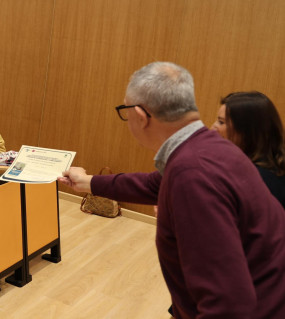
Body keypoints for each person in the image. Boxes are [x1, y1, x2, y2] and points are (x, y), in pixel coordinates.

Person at [58, 62, 285, 318]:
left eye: (125, 109)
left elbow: (227, 304)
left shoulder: (193, 174)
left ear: (141, 116)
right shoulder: (205, 148)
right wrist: (88, 182)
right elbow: (151, 184)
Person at [211, 91, 285, 208]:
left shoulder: (255, 180)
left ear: (246, 132)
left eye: (221, 122)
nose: (212, 129)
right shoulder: (273, 171)